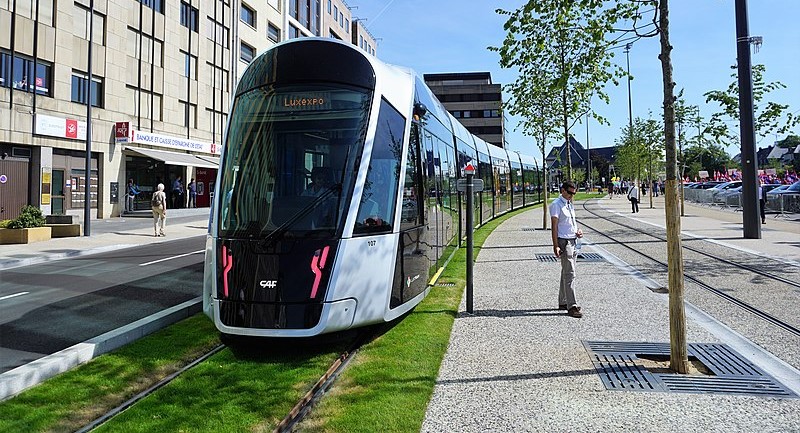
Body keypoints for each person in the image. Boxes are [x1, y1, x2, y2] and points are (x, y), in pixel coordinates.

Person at [549, 181, 584, 318]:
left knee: (566, 271)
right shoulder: (556, 205)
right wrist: (555, 245)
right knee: (570, 273)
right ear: (562, 190)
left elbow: (570, 223)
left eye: (573, 193)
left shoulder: (569, 204)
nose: (571, 195)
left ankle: (563, 301)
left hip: (573, 240)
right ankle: (572, 306)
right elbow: (554, 227)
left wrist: (577, 231)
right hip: (564, 241)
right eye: (569, 193)